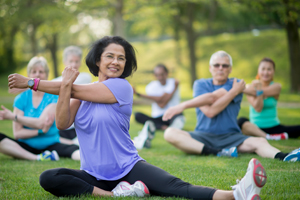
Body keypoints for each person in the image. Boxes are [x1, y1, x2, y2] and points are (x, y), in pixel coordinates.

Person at [9, 36, 267, 199]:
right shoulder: (76, 93)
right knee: (49, 178)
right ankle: (115, 195)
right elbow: (62, 123)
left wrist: (32, 82)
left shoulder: (121, 87)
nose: (116, 61)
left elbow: (78, 88)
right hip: (93, 174)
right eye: (110, 56)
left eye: (121, 58)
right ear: (97, 60)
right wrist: (64, 86)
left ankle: (236, 194)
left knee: (176, 187)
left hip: (129, 167)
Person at [163, 50, 300, 162]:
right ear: (210, 68)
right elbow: (210, 111)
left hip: (231, 138)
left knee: (260, 141)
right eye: (216, 65)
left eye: (225, 65)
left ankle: (285, 157)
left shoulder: (235, 83)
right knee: (170, 133)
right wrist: (235, 91)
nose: (220, 68)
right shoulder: (200, 84)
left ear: (230, 69)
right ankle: (218, 152)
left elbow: (212, 98)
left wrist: (181, 106)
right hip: (202, 136)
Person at [0, 56, 80, 161]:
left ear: (46, 75)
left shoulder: (53, 97)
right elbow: (18, 134)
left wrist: (13, 117)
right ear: (28, 76)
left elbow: (41, 123)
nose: (37, 74)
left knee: (75, 150)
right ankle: (37, 158)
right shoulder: (20, 98)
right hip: (26, 146)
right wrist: (40, 132)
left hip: (51, 144)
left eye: (41, 71)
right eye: (34, 71)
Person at [237, 57, 300, 140]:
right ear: (258, 71)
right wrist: (251, 89)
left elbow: (255, 92)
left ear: (273, 72)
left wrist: (256, 89)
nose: (266, 72)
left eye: (269, 69)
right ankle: (268, 137)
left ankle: (269, 136)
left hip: (274, 127)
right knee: (241, 121)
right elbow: (258, 108)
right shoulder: (249, 86)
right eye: (263, 69)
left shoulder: (276, 87)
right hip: (255, 128)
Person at [133, 64, 185, 149]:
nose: (160, 77)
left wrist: (139, 94)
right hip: (158, 118)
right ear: (154, 75)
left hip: (172, 114)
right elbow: (161, 104)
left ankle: (167, 128)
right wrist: (174, 89)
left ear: (167, 73)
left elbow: (162, 102)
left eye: (162, 74)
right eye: (157, 75)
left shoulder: (173, 82)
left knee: (179, 114)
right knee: (137, 115)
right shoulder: (151, 86)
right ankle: (167, 128)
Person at [53, 46, 92, 144]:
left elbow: (66, 83)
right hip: (60, 127)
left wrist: (35, 85)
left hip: (78, 126)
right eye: (71, 61)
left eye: (76, 61)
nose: (74, 64)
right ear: (64, 62)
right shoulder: (56, 81)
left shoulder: (85, 77)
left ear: (80, 62)